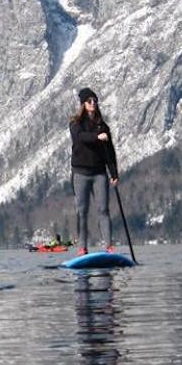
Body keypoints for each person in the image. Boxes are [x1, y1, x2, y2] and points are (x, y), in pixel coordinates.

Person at [69, 87, 119, 255]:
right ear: (83, 104)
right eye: (90, 101)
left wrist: (114, 173)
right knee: (82, 211)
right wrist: (97, 137)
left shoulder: (102, 125)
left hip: (99, 173)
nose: (93, 103)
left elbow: (109, 151)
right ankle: (82, 247)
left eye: (95, 101)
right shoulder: (75, 124)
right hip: (80, 173)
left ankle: (109, 246)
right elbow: (81, 138)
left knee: (103, 210)